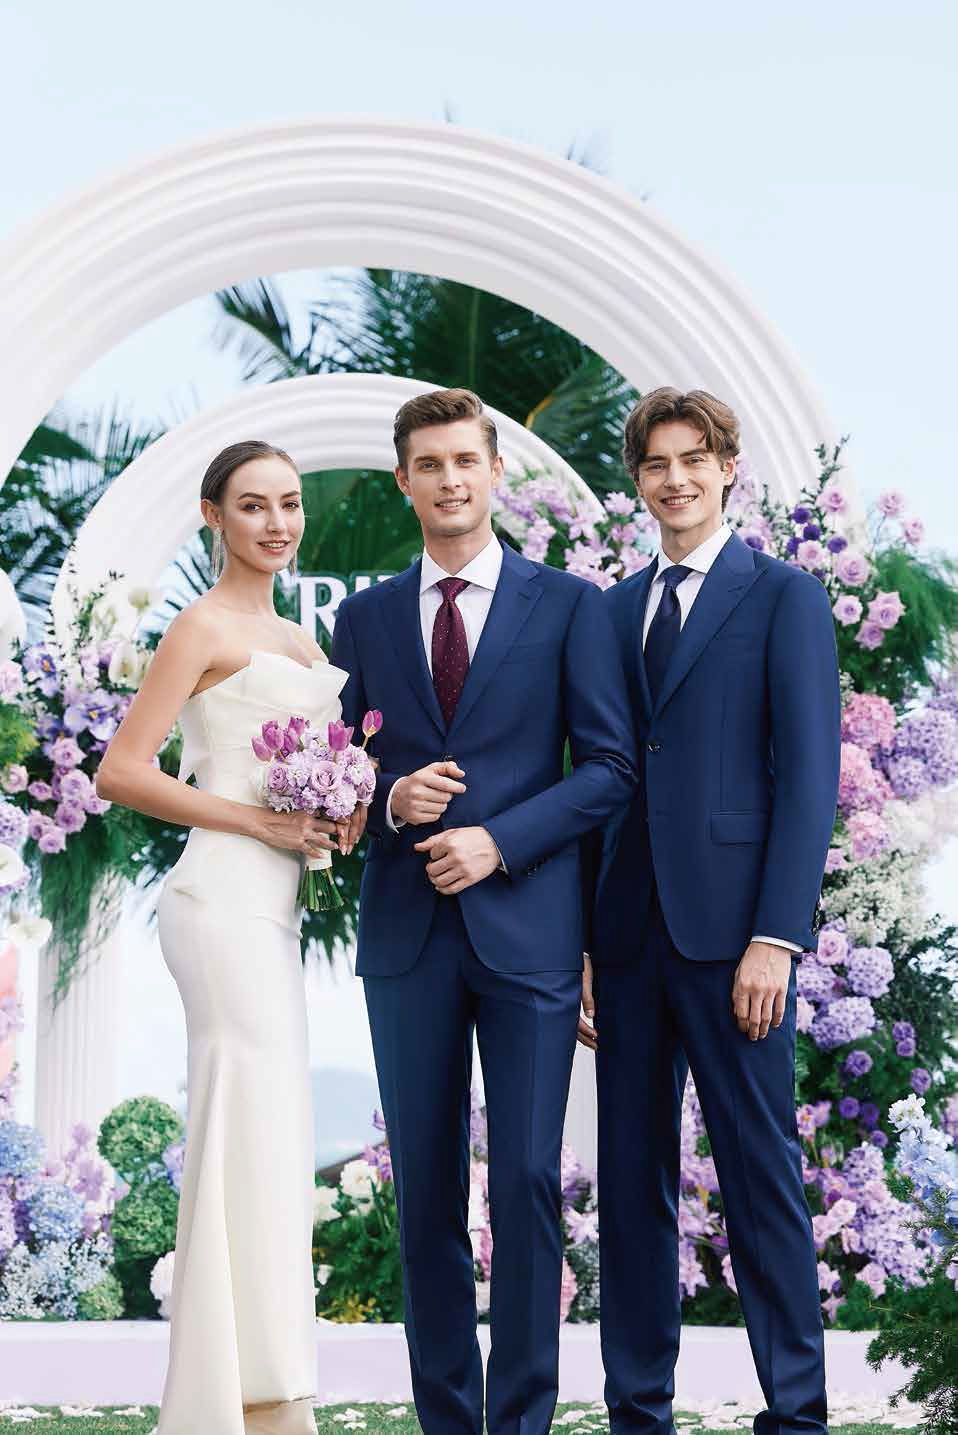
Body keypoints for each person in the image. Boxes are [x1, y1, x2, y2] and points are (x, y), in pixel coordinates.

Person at [330, 388, 636, 1435]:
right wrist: (385, 798)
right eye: (430, 463)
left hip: (531, 930)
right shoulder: (361, 618)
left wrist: (498, 839)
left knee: (527, 1180)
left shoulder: (570, 606)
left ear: (494, 471)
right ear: (403, 480)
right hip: (406, 939)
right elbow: (332, 780)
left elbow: (606, 769)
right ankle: (447, 1422)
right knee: (423, 1190)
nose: (451, 479)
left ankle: (523, 1423)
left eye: (466, 459)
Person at [583, 388, 840, 1435]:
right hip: (628, 937)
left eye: (695, 458)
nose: (675, 478)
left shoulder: (781, 597)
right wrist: (590, 943)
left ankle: (797, 1414)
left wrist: (774, 936)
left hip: (738, 941)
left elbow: (807, 777)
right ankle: (637, 1411)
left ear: (728, 466)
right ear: (636, 478)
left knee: (760, 1175)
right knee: (632, 1187)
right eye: (656, 463)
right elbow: (603, 772)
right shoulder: (609, 609)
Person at [96, 440, 364, 1435]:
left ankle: (270, 1384)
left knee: (270, 1129)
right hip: (216, 900)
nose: (276, 523)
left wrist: (344, 813)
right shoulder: (199, 626)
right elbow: (124, 769)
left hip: (274, 903)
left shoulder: (297, 638)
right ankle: (220, 1399)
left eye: (288, 503)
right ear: (214, 515)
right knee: (236, 1122)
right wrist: (260, 821)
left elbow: (310, 774)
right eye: (252, 506)